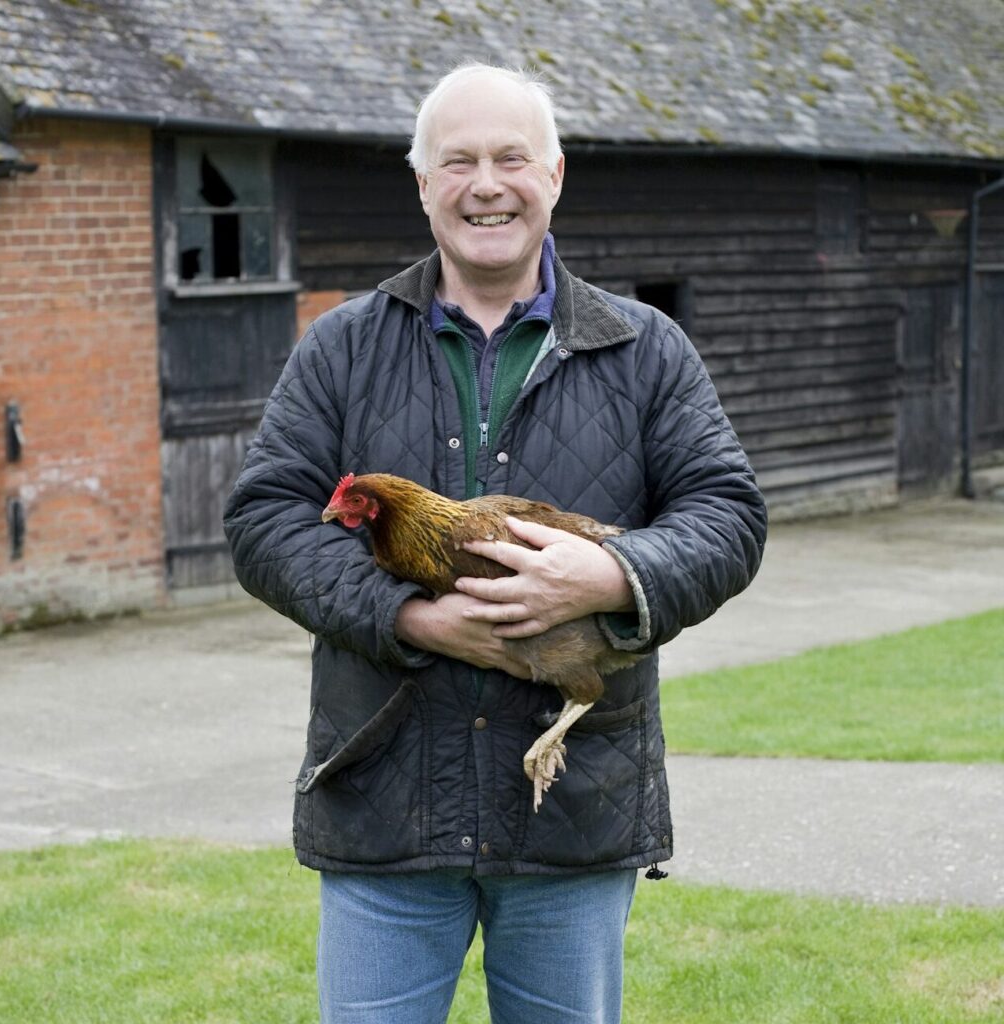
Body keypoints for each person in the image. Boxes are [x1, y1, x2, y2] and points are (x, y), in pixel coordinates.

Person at [223, 61, 766, 1024]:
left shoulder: (647, 350)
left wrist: (609, 571)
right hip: (384, 803)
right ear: (423, 183)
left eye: (511, 157)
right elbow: (265, 522)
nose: (486, 183)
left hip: (574, 812)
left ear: (553, 175)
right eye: (458, 160)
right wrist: (414, 617)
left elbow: (727, 515)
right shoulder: (341, 348)